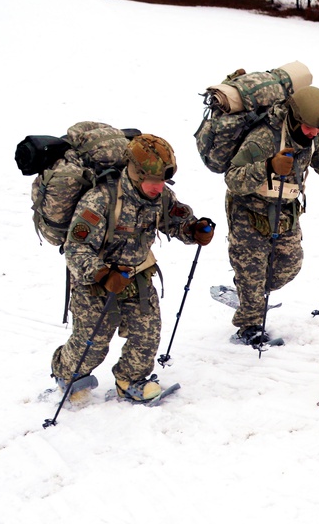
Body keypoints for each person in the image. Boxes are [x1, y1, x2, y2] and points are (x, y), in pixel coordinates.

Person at [50, 134, 215, 403]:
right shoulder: (100, 200)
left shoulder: (160, 195)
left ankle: (131, 380)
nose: (158, 188)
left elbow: (176, 219)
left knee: (147, 334)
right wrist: (102, 274)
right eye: (153, 182)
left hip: (137, 276)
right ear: (135, 174)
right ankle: (67, 374)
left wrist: (194, 230)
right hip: (95, 282)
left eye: (163, 181)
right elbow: (75, 248)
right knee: (92, 343)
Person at [224, 85, 319, 345]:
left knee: (289, 265)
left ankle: (248, 291)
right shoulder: (264, 138)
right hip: (249, 212)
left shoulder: (315, 135)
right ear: (295, 119)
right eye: (308, 128)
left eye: (318, 129)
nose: (313, 134)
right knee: (253, 271)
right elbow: (233, 178)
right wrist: (268, 166)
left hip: (286, 211)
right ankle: (249, 325)